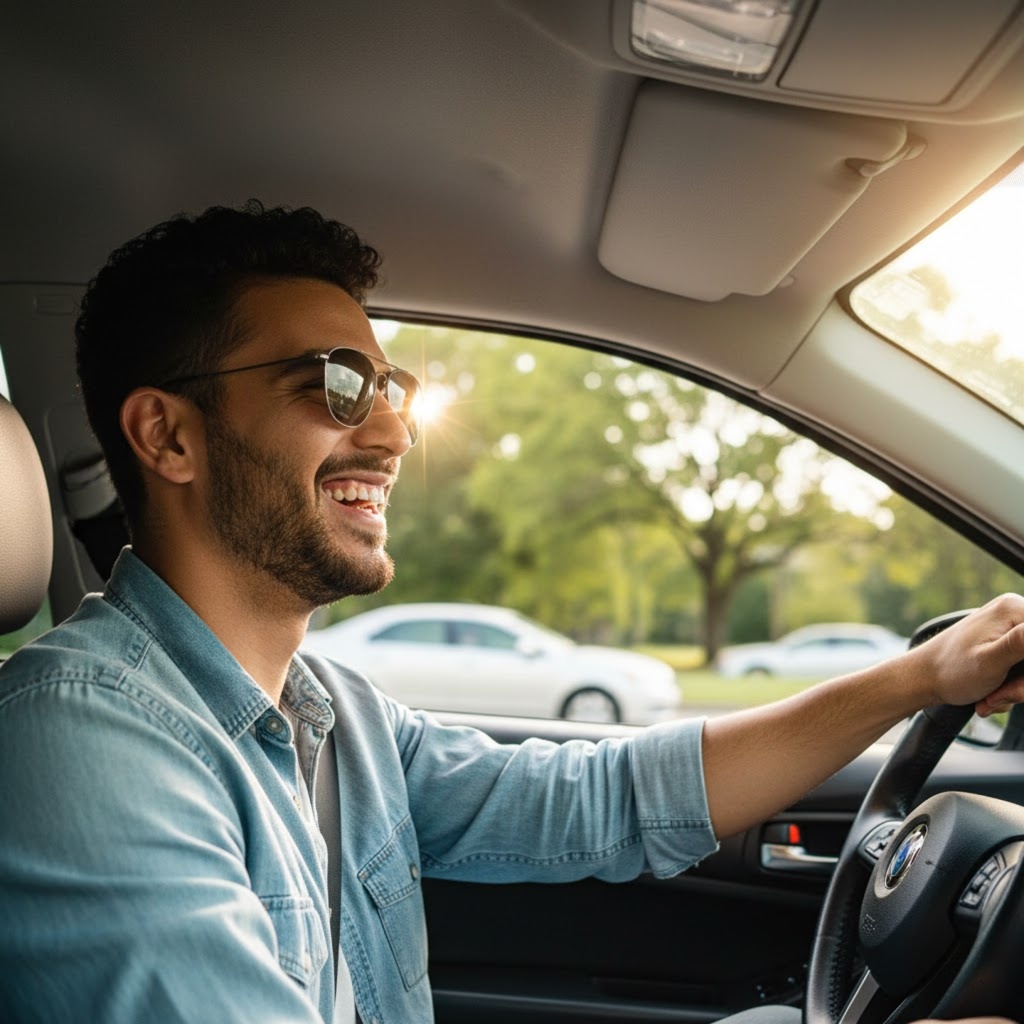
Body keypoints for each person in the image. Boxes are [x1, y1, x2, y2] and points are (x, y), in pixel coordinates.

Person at [1, 202, 1022, 1024]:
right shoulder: (77, 741)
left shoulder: (334, 717)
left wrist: (919, 679)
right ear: (167, 437)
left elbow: (607, 797)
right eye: (338, 383)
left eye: (391, 381)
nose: (394, 429)